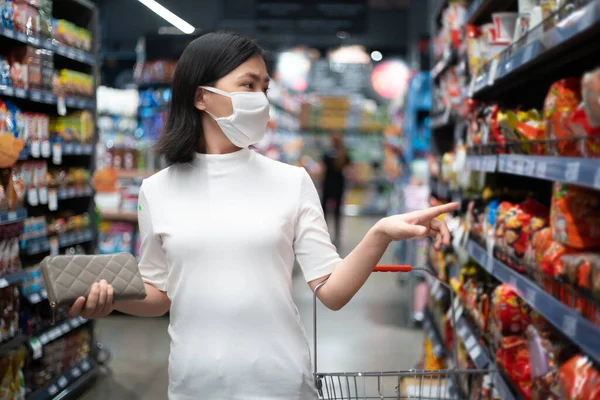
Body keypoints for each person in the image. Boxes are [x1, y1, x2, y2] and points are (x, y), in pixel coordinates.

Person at [69, 32, 458, 400]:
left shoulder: (291, 181)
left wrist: (380, 234)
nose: (262, 99)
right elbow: (159, 295)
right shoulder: (157, 190)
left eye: (264, 88)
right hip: (193, 384)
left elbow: (333, 292)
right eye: (249, 85)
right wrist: (112, 298)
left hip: (281, 382)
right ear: (202, 96)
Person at [321, 132, 350, 242]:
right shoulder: (344, 155)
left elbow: (322, 169)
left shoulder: (327, 155)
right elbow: (349, 169)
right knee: (337, 210)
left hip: (327, 184)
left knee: (324, 209)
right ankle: (337, 234)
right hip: (339, 184)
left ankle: (323, 231)